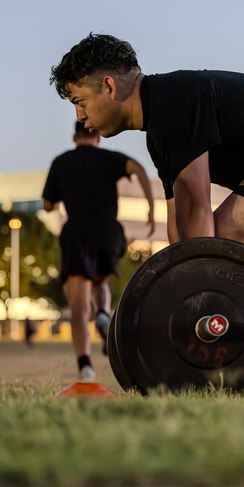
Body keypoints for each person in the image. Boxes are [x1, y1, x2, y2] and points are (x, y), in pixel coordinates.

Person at [49, 33, 244, 250]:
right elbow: (179, 229)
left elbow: (196, 213)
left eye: (79, 101)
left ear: (108, 87)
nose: (80, 117)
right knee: (201, 249)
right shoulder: (160, 123)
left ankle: (223, 335)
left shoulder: (170, 101)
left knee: (210, 244)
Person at [42, 121, 156, 382]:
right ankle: (104, 314)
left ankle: (85, 367)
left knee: (79, 308)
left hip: (78, 232)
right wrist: (150, 207)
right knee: (100, 280)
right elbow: (137, 167)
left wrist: (58, 199)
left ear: (74, 136)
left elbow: (48, 204)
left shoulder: (61, 162)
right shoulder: (110, 158)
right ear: (98, 137)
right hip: (109, 232)